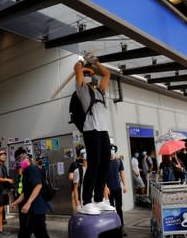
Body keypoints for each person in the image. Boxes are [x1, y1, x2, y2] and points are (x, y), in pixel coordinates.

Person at [73, 53, 115, 215]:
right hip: (91, 131)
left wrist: (96, 62)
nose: (92, 76)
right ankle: (87, 202)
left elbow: (107, 74)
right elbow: (76, 69)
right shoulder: (82, 91)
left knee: (105, 164)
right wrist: (81, 63)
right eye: (88, 74)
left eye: (92, 74)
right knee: (94, 165)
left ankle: (99, 199)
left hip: (103, 131)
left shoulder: (100, 91)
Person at [11, 154, 50, 238]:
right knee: (25, 233)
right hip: (32, 209)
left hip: (36, 208)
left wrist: (28, 203)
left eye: (26, 159)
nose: (24, 161)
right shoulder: (26, 172)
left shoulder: (31, 169)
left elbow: (38, 186)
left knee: (39, 233)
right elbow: (25, 192)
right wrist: (16, 202)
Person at [105, 144, 127, 236]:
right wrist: (105, 187)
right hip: (108, 190)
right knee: (110, 210)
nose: (111, 152)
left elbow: (122, 173)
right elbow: (102, 176)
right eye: (110, 150)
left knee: (119, 209)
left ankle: (121, 228)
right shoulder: (104, 162)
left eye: (113, 150)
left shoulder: (118, 161)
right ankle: (112, 229)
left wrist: (125, 185)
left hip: (117, 188)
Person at [68, 146, 85, 211]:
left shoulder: (86, 164)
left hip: (84, 191)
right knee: (77, 212)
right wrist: (78, 176)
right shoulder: (74, 164)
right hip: (76, 191)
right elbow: (70, 177)